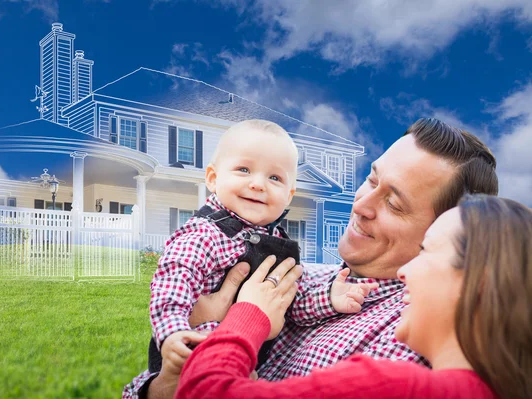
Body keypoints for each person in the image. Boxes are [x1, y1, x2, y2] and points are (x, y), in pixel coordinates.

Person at [123, 118, 499, 399]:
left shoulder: (408, 341)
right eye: (371, 180)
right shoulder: (308, 274)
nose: (361, 205)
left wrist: (242, 317)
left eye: (394, 204)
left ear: (448, 228)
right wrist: (162, 383)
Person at [176, 194, 532, 399]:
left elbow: (205, 392)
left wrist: (247, 314)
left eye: (426, 251)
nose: (406, 271)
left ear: (479, 283)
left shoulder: (396, 387)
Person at [144, 120, 376, 377]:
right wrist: (172, 332)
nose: (258, 184)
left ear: (288, 195)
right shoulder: (205, 233)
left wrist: (330, 298)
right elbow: (173, 282)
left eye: (274, 177)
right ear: (213, 178)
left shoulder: (279, 243)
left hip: (245, 361)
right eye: (243, 169)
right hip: (192, 349)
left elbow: (289, 304)